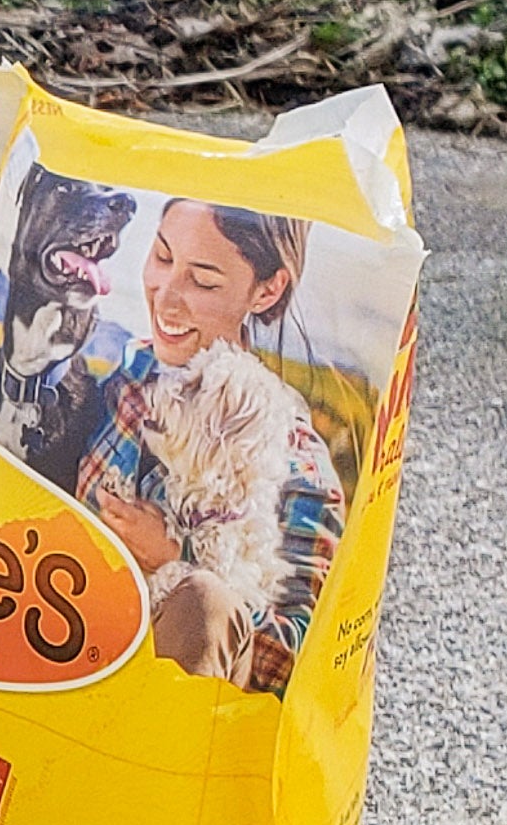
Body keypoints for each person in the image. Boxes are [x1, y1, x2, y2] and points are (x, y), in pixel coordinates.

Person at [77, 200, 345, 693]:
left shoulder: (300, 470)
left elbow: (292, 665)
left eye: (203, 281)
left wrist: (172, 562)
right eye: (161, 257)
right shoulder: (124, 376)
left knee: (205, 600)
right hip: (63, 647)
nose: (167, 299)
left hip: (185, 719)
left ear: (267, 289)